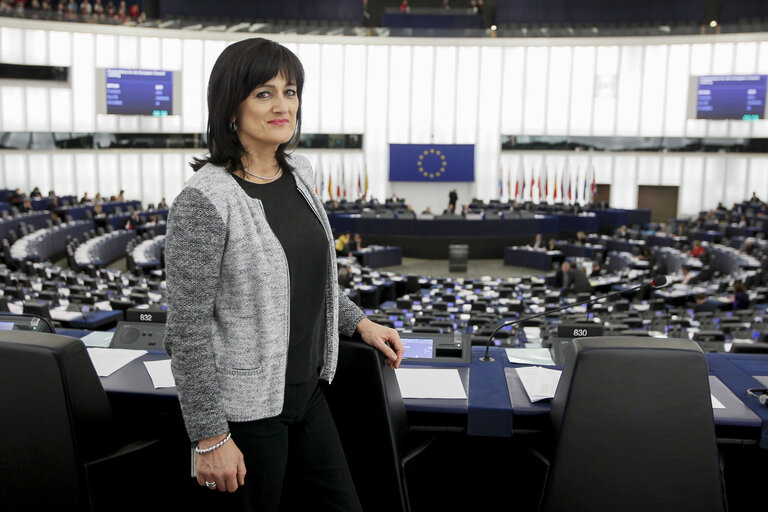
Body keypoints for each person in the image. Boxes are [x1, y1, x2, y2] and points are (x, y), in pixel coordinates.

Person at [163, 38, 403, 511]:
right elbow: (187, 330)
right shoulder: (205, 200)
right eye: (263, 93)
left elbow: (305, 277)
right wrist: (210, 437)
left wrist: (359, 322)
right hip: (246, 413)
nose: (282, 105)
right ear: (230, 107)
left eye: (290, 91)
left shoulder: (300, 172)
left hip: (308, 393)